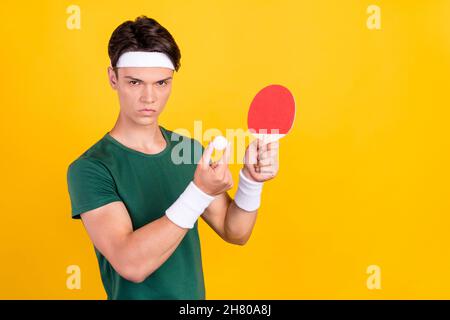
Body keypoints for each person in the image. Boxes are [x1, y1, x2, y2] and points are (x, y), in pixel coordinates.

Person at [67, 15, 279, 300]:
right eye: (135, 82)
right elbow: (131, 264)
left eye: (162, 83)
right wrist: (200, 192)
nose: (149, 97)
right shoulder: (90, 168)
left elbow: (235, 232)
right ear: (113, 78)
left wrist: (250, 181)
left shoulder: (188, 151)